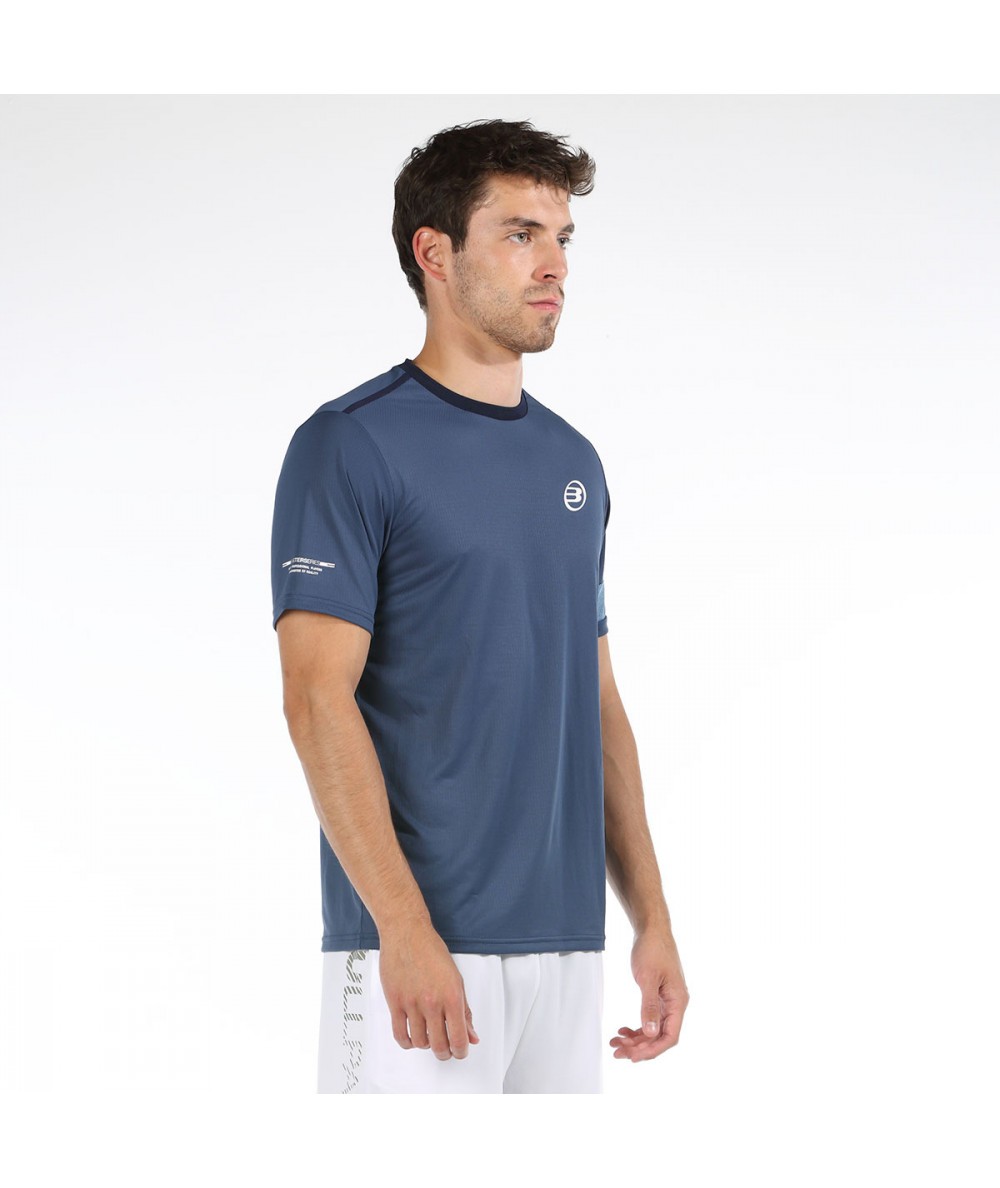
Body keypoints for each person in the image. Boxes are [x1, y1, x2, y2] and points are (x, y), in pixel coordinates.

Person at [270, 118, 689, 1093]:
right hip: (419, 947)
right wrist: (402, 927)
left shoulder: (574, 462)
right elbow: (316, 698)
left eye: (562, 238)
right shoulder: (349, 445)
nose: (555, 265)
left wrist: (652, 919)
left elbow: (595, 704)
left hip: (567, 944)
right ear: (435, 253)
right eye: (519, 234)